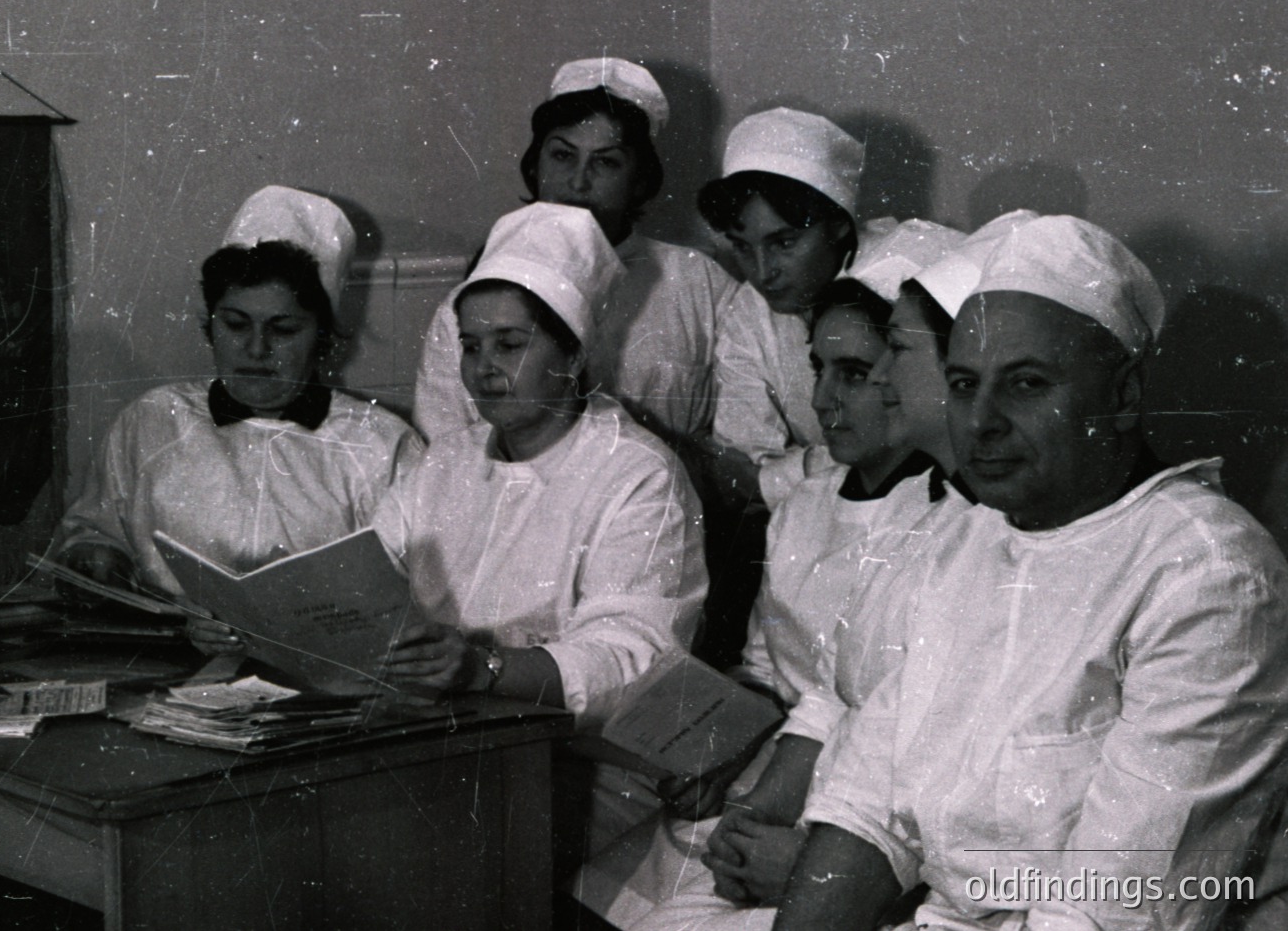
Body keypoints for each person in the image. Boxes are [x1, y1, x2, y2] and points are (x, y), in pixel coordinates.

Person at [776, 216, 1288, 931]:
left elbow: (1115, 908)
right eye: (962, 383)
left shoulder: (1209, 576)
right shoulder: (968, 533)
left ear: (1122, 395)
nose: (979, 421)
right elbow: (867, 801)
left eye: (1024, 383)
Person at [575, 220, 965, 930]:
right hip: (765, 763)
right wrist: (712, 739)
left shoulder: (948, 520)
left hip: (844, 793)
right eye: (819, 368)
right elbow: (764, 665)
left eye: (855, 372)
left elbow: (873, 716)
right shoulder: (804, 505)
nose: (823, 400)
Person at [377, 202, 708, 862]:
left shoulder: (634, 475)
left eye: (509, 344)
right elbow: (374, 571)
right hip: (435, 744)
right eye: (470, 346)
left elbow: (631, 658)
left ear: (574, 352)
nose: (481, 368)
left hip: (582, 770)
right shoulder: (442, 463)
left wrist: (484, 667)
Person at [55, 187, 419, 641]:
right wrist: (95, 556)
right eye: (235, 324)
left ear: (323, 337)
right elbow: (95, 531)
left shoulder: (382, 445)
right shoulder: (150, 422)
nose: (256, 349)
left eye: (283, 329)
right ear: (210, 325)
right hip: (172, 665)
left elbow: (413, 591)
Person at [411, 57, 742, 454]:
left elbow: (739, 442)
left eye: (606, 162)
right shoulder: (473, 300)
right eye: (563, 156)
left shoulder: (700, 284)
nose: (578, 181)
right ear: (536, 164)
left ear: (639, 181)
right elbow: (444, 451)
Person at [697, 108, 870, 513]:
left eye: (785, 243)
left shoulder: (901, 284)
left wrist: (781, 477)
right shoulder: (749, 311)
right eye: (743, 247)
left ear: (839, 224)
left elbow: (902, 453)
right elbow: (740, 466)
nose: (762, 272)